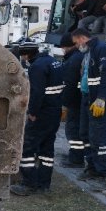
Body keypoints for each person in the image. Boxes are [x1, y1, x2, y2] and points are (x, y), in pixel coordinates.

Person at [71, 28, 106, 191]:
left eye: (76, 43)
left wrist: (101, 99)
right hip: (88, 98)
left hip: (100, 101)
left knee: (98, 139)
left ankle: (105, 174)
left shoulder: (104, 50)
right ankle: (92, 168)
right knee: (85, 134)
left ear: (82, 38)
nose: (76, 46)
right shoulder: (89, 52)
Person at [10, 40, 64, 196]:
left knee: (27, 147)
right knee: (46, 149)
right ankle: (44, 184)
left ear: (26, 55)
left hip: (42, 114)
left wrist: (32, 112)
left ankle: (29, 184)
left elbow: (37, 93)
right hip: (54, 112)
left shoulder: (37, 67)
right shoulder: (53, 62)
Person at [58, 33, 85, 168]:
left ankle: (76, 158)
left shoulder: (73, 60)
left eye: (63, 47)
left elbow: (69, 84)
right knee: (75, 129)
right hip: (79, 100)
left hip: (75, 101)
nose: (63, 50)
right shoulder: (76, 57)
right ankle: (75, 155)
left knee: (73, 130)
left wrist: (65, 104)